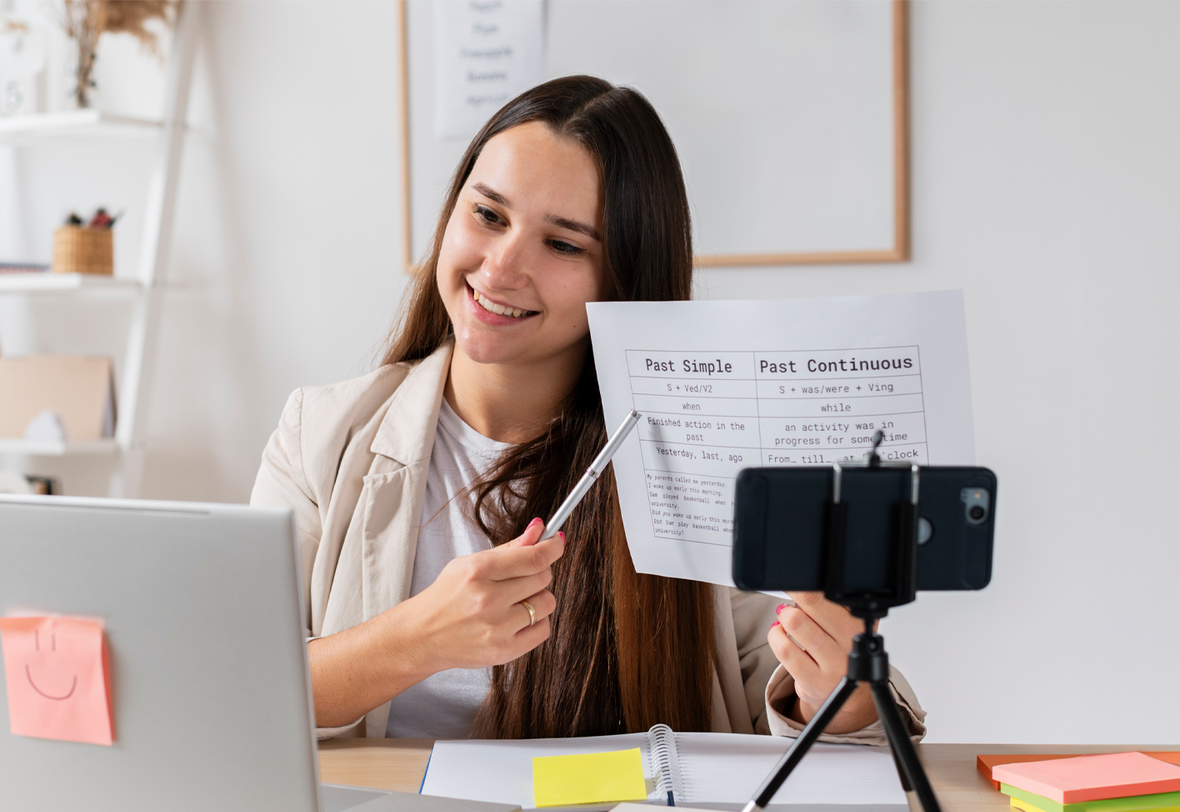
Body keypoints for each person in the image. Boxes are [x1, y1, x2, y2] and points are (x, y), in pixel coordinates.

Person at [252, 75, 924, 743]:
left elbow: (789, 710)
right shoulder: (320, 434)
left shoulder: (690, 459)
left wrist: (835, 686)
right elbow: (233, 684)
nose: (502, 266)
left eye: (564, 244)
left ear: (625, 280)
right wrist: (420, 638)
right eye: (488, 215)